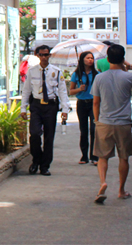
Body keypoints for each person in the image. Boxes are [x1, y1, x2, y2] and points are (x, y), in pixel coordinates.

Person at [92, 44, 132, 204]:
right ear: (123, 58)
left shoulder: (99, 78)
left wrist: (97, 120)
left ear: (108, 58)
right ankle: (121, 190)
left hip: (104, 122)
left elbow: (96, 102)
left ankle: (103, 182)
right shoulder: (129, 77)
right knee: (124, 157)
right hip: (123, 122)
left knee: (102, 156)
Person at [20, 45, 70, 176]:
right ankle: (36, 160)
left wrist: (65, 109)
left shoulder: (56, 71)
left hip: (50, 106)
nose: (43, 57)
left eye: (46, 55)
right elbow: (26, 91)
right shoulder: (32, 71)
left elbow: (62, 91)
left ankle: (45, 165)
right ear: (37, 56)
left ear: (49, 56)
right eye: (41, 55)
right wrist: (23, 108)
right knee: (35, 134)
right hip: (36, 105)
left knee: (49, 137)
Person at [70, 51, 99, 165]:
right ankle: (84, 155)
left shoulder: (96, 74)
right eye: (88, 58)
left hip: (94, 103)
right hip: (82, 103)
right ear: (82, 60)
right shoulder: (76, 74)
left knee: (94, 129)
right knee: (83, 130)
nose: (90, 60)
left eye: (92, 58)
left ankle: (94, 155)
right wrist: (79, 89)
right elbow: (71, 91)